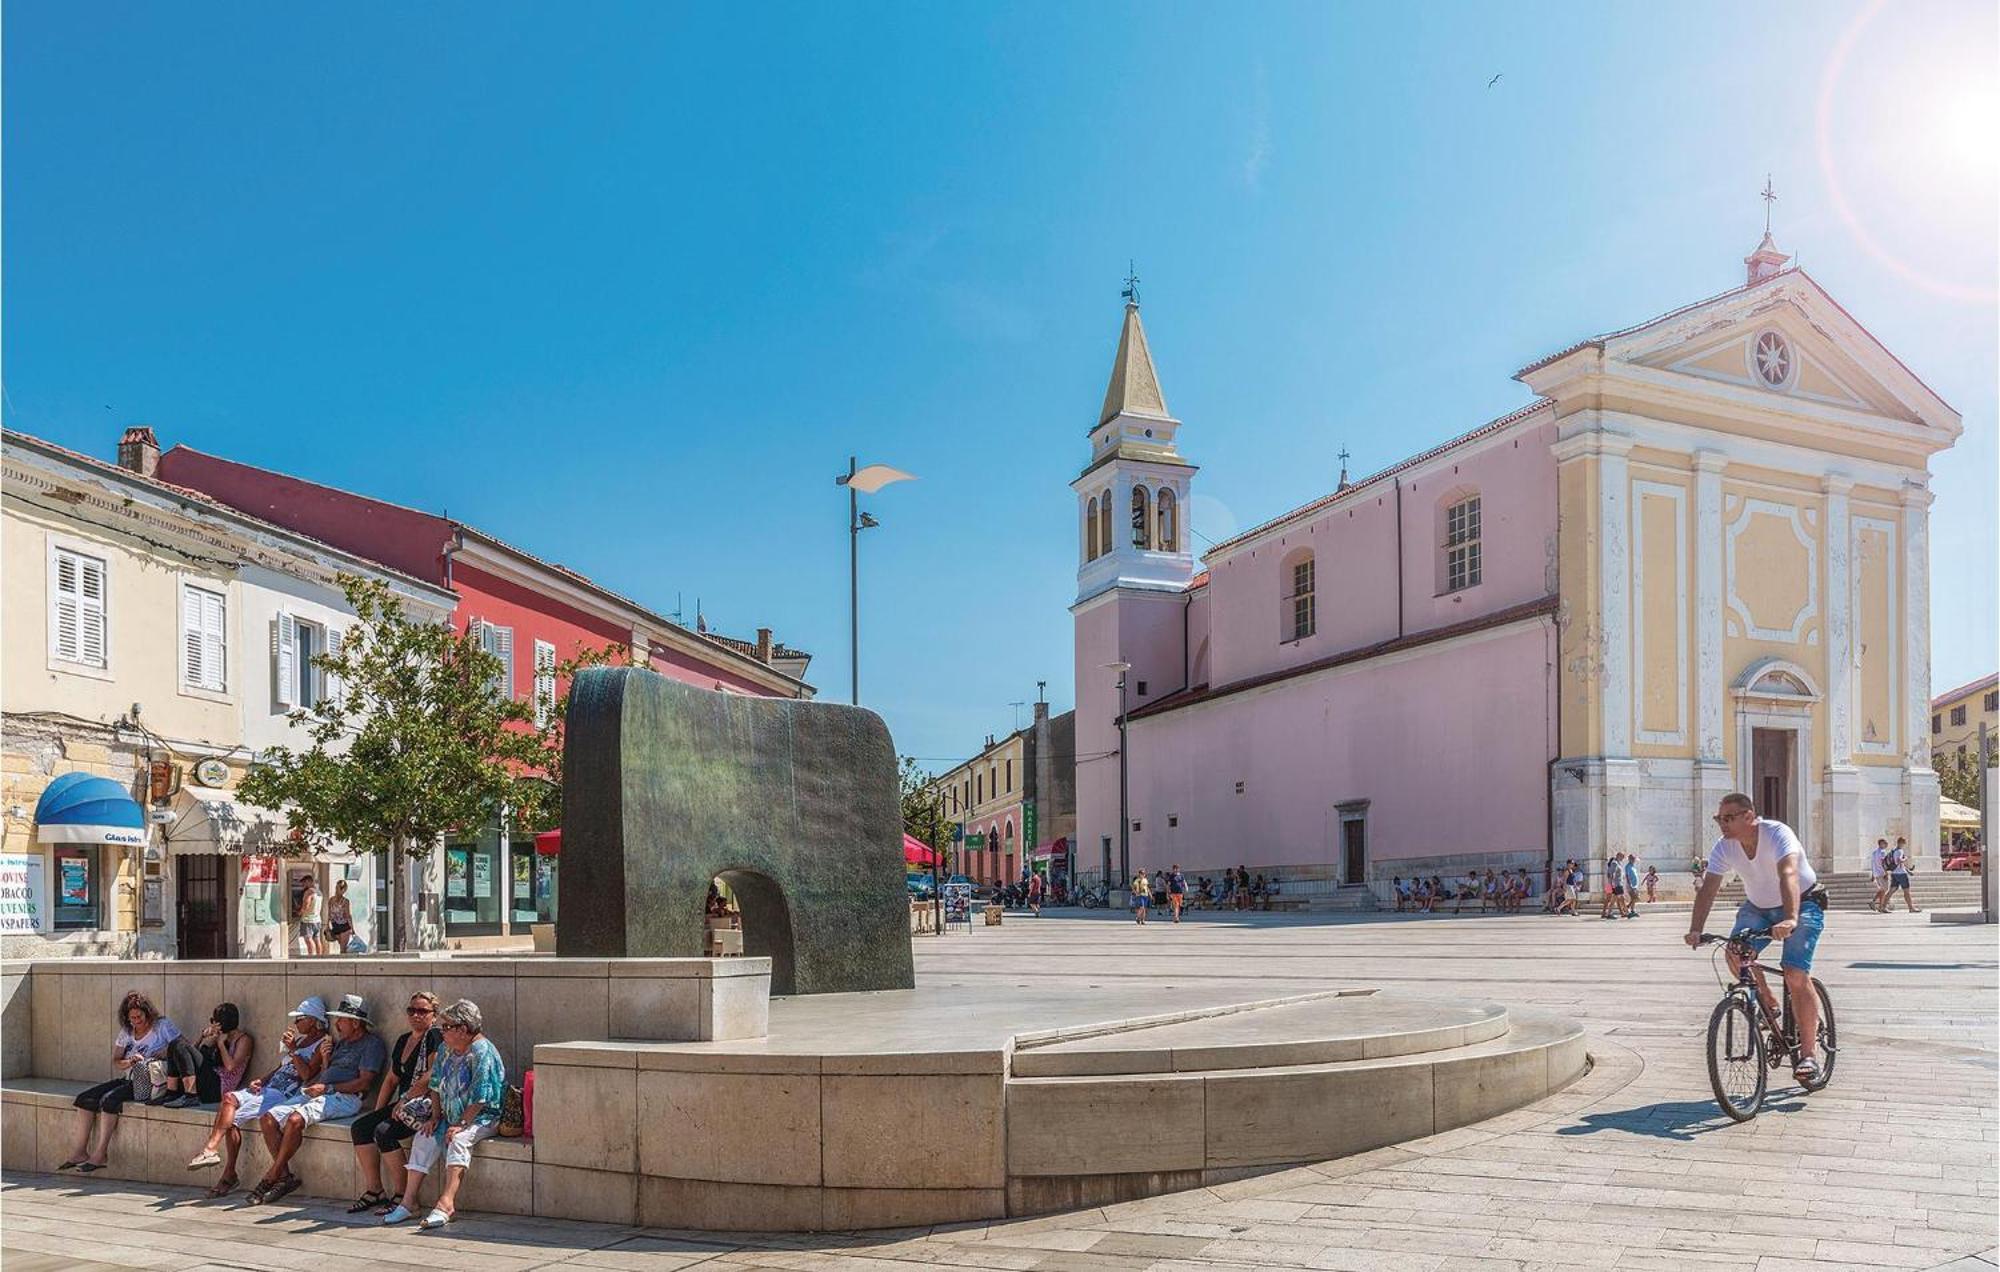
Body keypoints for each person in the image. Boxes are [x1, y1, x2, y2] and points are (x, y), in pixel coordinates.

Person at [1685, 792, 1828, 1085]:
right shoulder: (1724, 847)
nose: (1722, 824)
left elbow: (1787, 873)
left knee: (1795, 974)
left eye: (1728, 818)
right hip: (1758, 908)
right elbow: (1709, 888)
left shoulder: (1777, 833)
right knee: (1735, 951)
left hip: (1803, 901)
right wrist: (1696, 928)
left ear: (1749, 817)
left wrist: (1790, 917)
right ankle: (1769, 1002)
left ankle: (1809, 1055)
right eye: (1719, 819)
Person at [245, 993, 387, 1205]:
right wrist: (326, 1060)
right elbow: (324, 1073)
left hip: (345, 1097)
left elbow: (364, 1083)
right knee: (268, 1118)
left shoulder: (371, 1044)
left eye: (342, 1019)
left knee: (294, 1120)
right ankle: (284, 1176)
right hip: (321, 1090)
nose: (337, 1024)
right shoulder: (341, 1043)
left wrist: (327, 1087)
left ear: (356, 1023)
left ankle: (271, 1176)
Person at [186, 996, 329, 1198]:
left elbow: (307, 1074)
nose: (296, 1023)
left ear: (314, 1020)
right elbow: (281, 1068)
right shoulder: (299, 1041)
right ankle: (218, 1158)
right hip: (270, 1088)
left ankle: (225, 1167)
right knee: (229, 1107)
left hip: (286, 1093)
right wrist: (262, 1080)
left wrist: (294, 1050)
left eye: (300, 1019)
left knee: (230, 1105)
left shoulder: (322, 1043)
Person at [381, 999, 506, 1229]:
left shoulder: (482, 1051)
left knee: (458, 1140)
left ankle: (446, 1203)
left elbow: (481, 1097)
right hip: (450, 1115)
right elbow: (436, 1085)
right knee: (424, 1136)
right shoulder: (446, 1049)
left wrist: (460, 1124)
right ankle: (409, 1203)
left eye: (447, 1026)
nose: (442, 1030)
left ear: (463, 1029)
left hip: (481, 1116)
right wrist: (435, 1117)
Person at [59, 992, 186, 1172]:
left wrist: (166, 1051)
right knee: (84, 1099)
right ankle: (80, 1151)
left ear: (147, 1013)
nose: (136, 1021)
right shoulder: (127, 1032)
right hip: (129, 1077)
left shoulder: (161, 1026)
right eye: (132, 1018)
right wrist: (130, 1061)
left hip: (150, 1082)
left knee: (109, 1101)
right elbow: (117, 1061)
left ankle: (100, 1153)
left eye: (139, 1017)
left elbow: (184, 1047)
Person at [348, 991, 443, 1214]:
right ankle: (375, 1190)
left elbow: (432, 1074)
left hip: (424, 1105)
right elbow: (391, 1079)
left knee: (384, 1132)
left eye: (423, 1011)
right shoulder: (403, 1040)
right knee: (361, 1127)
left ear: (434, 1016)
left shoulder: (434, 1037)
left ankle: (403, 1196)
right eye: (412, 1010)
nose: (416, 1015)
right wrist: (380, 1110)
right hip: (403, 1103)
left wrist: (405, 1099)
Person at [187, 1002, 255, 1107]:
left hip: (221, 1088)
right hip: (210, 1080)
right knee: (178, 1047)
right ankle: (174, 1092)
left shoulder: (244, 1040)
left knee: (180, 1047)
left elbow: (230, 1067)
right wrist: (203, 1036)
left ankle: (188, 1095)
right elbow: (191, 1053)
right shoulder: (220, 1036)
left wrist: (221, 1044)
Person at [1885, 836, 1921, 913]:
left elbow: (1897, 863)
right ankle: (1911, 908)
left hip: (1894, 873)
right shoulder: (1900, 851)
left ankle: (1883, 906)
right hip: (1901, 874)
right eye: (1904, 843)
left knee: (1891, 891)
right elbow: (1900, 861)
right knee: (1906, 891)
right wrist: (1905, 858)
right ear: (1901, 843)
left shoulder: (1894, 850)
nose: (1904, 845)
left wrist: (1908, 871)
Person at [297, 877, 324, 956]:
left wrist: (299, 912)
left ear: (309, 882)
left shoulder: (309, 892)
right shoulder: (319, 892)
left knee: (308, 939)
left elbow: (306, 906)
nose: (303, 885)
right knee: (317, 939)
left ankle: (311, 957)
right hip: (317, 920)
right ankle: (319, 957)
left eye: (304, 883)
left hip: (308, 920)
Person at [327, 878, 355, 954]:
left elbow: (329, 914)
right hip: (344, 926)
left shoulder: (331, 900)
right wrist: (352, 928)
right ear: (343, 890)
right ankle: (344, 964)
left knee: (342, 948)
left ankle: (343, 963)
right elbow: (348, 915)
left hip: (335, 925)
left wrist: (327, 926)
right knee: (343, 949)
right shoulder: (345, 901)